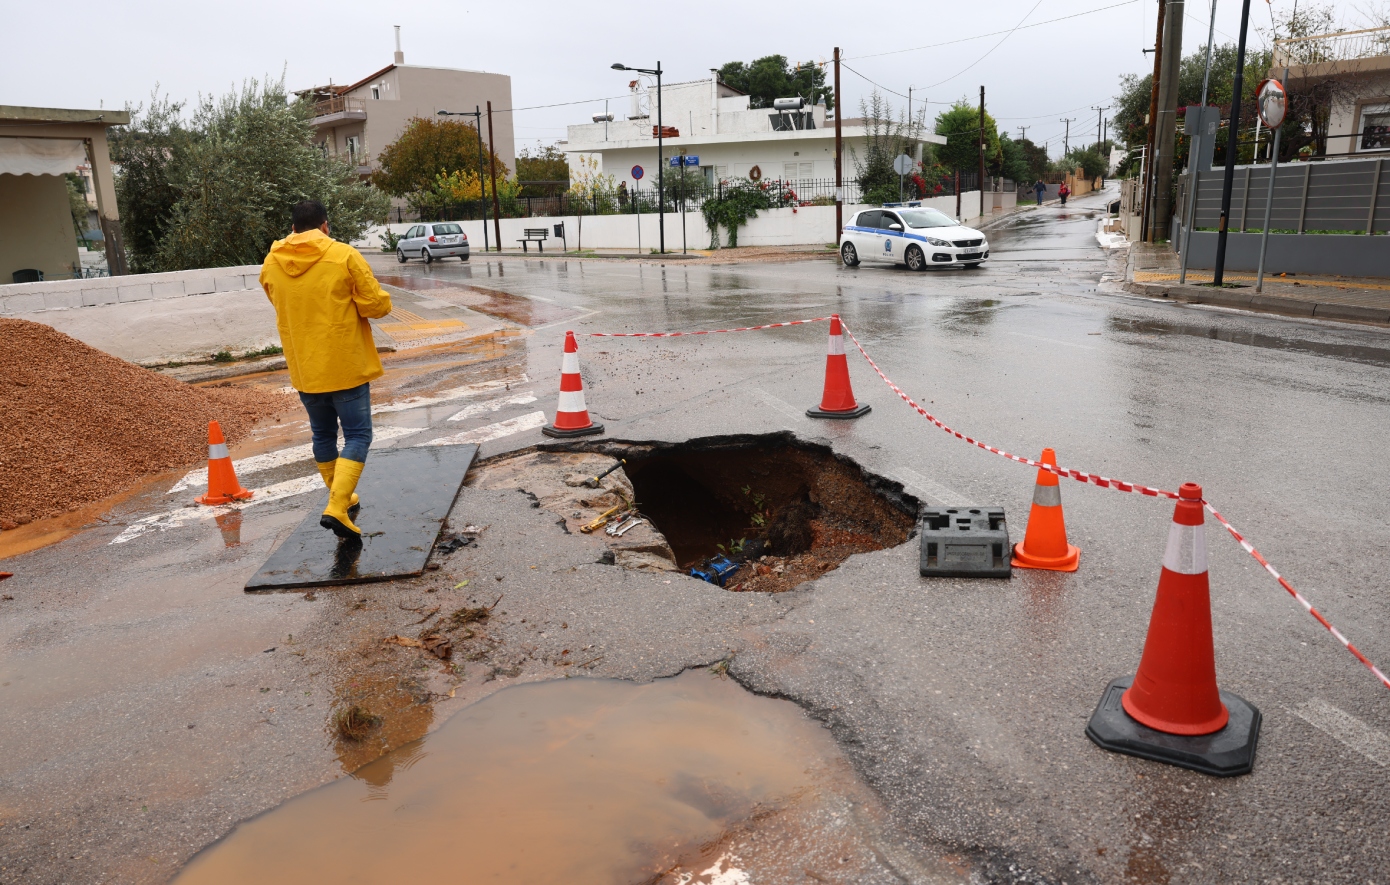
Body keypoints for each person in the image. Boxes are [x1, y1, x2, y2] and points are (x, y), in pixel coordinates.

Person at [260, 200, 393, 540]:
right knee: (358, 435)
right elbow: (376, 305)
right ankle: (336, 506)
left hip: (305, 368)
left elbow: (278, 301)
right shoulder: (343, 255)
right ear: (324, 227)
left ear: (293, 229)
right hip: (344, 363)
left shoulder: (272, 262)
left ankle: (341, 497)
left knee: (322, 435)